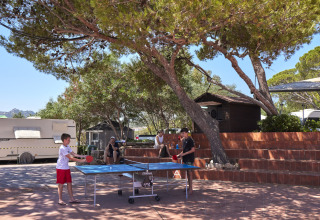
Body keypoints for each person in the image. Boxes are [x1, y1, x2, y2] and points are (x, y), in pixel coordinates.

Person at [56, 133, 87, 205]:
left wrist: (83, 156)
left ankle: (72, 199)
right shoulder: (62, 148)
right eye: (68, 140)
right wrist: (82, 161)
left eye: (69, 140)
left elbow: (74, 154)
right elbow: (70, 158)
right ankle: (60, 200)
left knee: (69, 183)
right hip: (60, 168)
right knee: (61, 184)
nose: (69, 141)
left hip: (66, 167)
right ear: (64, 140)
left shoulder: (67, 146)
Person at [177, 128, 195, 195]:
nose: (182, 134)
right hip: (185, 159)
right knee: (187, 173)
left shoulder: (190, 140)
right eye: (182, 133)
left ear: (186, 133)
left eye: (183, 133)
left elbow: (193, 150)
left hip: (190, 159)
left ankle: (191, 189)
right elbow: (184, 150)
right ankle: (188, 187)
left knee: (190, 174)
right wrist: (180, 154)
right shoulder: (184, 140)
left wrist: (184, 154)